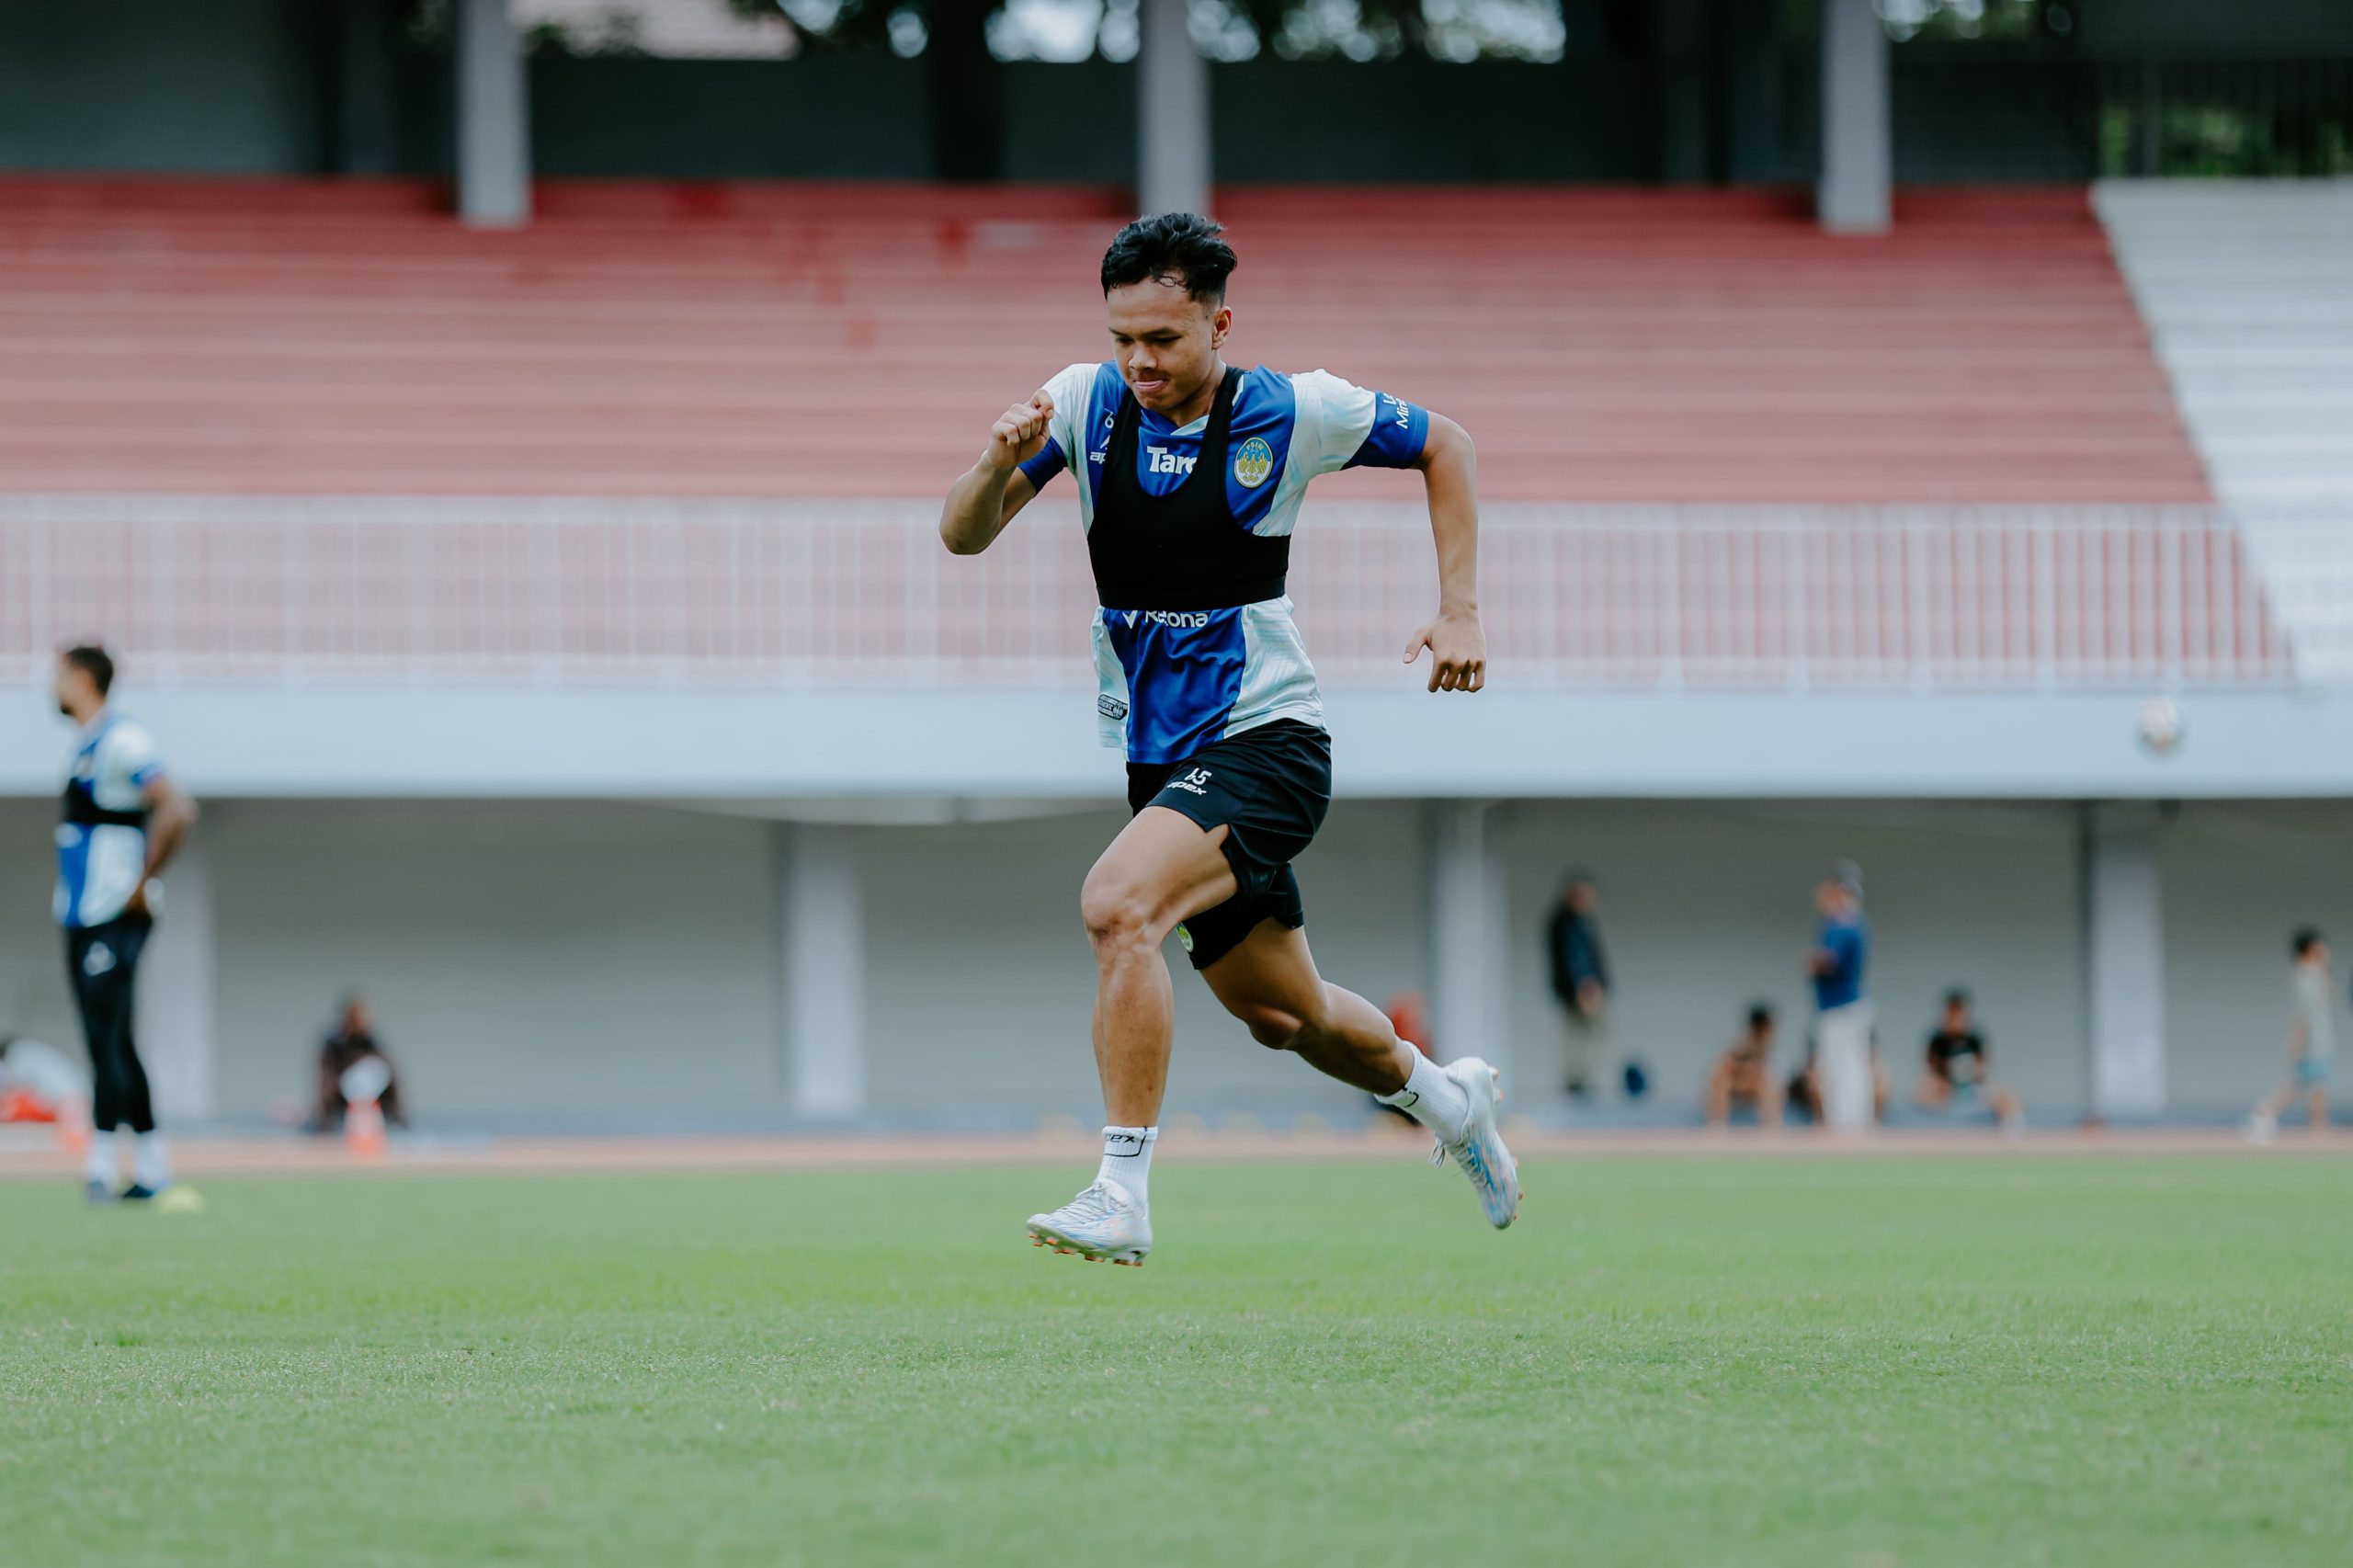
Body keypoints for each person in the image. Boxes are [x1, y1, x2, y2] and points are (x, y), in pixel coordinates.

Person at [938, 212, 1518, 1266]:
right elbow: (962, 532)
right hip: (1163, 761)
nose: (1139, 361)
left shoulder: (1293, 410)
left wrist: (1462, 608)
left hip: (1268, 741)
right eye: (1122, 338)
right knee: (1285, 1016)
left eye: (1162, 339)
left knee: (1118, 906)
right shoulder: (1079, 405)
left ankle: (1121, 1188)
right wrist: (995, 459)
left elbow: (1447, 443)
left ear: (1218, 323)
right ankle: (1450, 1097)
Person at [52, 644, 200, 1205]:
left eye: (61, 675)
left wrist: (140, 883)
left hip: (112, 912)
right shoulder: (86, 746)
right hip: (80, 912)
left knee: (107, 1037)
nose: (54, 686)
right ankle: (151, 1167)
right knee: (111, 1039)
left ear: (84, 679)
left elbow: (176, 807)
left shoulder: (123, 740)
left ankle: (100, 1165)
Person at [2248, 928, 2333, 1142]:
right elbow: (2303, 1017)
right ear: (2311, 948)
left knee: (2308, 1086)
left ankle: (2267, 1114)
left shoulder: (2315, 975)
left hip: (2319, 1042)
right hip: (2312, 1044)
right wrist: (2296, 1045)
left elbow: (2329, 997)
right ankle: (2266, 1114)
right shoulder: (2305, 978)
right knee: (2310, 1087)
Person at [1808, 861, 1873, 1131]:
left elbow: (1827, 961)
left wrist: (1810, 962)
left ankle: (1848, 1125)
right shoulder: (1851, 920)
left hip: (1842, 1007)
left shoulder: (1843, 922)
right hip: (1844, 1005)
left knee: (1842, 1068)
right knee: (1844, 1066)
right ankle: (1850, 1123)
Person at [1915, 990, 2024, 1132]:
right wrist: (1947, 1075)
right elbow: (1929, 1068)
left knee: (2008, 1095)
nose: (1955, 1019)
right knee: (1922, 1090)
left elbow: (1985, 1069)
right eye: (1951, 1013)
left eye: (1959, 1013)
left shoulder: (1975, 1037)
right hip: (1944, 1087)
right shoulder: (1936, 1039)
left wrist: (1970, 1072)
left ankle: (2013, 1131)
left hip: (1973, 1086)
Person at [1545, 869, 1610, 1098]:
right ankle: (1578, 1082)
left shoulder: (1580, 921)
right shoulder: (1567, 923)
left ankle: (1582, 1081)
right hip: (1580, 991)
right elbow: (1574, 958)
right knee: (1580, 1036)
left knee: (1589, 1035)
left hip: (1580, 989)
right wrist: (1584, 986)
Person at [309, 994, 407, 1134]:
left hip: (371, 1103)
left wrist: (397, 1113)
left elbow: (390, 1075)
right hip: (340, 1102)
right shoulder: (335, 1043)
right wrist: (325, 1116)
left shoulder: (372, 1042)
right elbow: (326, 1079)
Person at [1707, 1004, 1783, 1128]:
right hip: (1735, 1085)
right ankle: (1717, 1123)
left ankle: (1772, 1125)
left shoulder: (1767, 1043)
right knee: (1721, 1084)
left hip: (1755, 1085)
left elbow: (1765, 1071)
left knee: (1769, 1086)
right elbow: (1724, 1069)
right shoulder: (1740, 1045)